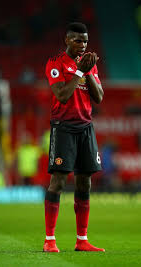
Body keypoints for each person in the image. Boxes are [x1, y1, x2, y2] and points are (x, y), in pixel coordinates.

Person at [44, 22, 105, 252]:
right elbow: (61, 95)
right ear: (67, 40)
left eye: (86, 41)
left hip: (86, 127)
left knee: (85, 182)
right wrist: (79, 71)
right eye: (78, 40)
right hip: (64, 128)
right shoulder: (55, 63)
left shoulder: (89, 65)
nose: (82, 45)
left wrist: (87, 71)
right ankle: (50, 240)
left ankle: (82, 240)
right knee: (58, 181)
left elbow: (98, 97)